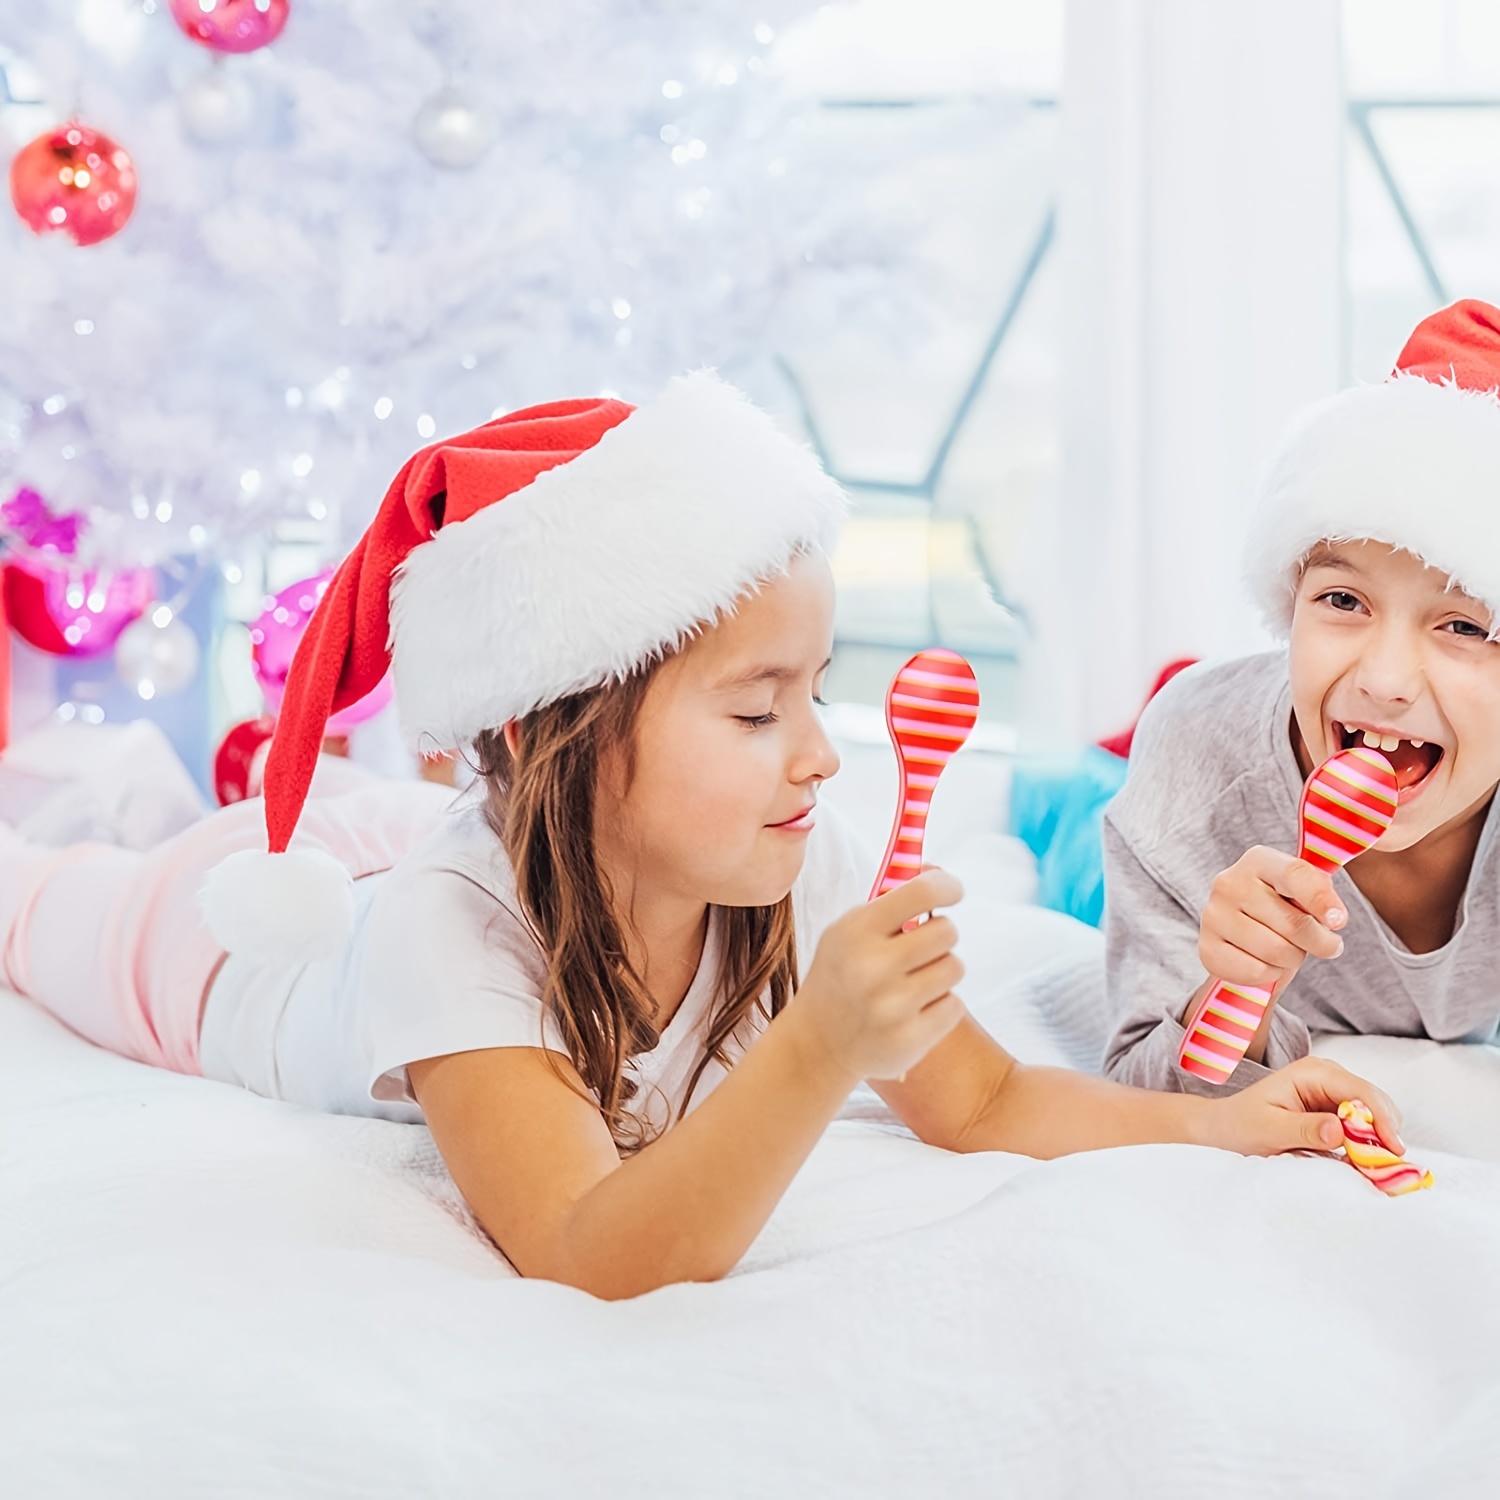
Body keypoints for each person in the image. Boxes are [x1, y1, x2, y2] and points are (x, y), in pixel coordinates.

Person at [0, 372, 1398, 1300]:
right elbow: (582, 1251)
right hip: (225, 950)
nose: (815, 751)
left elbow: (980, 1102)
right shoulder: (459, 926)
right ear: (565, 733)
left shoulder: (791, 853)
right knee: (53, 888)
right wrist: (816, 1050)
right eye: (754, 710)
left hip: (420, 836)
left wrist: (1213, 1128)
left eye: (819, 694)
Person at [1105, 299, 1500, 1095]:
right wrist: (1236, 990)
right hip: (1166, 787)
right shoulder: (1198, 770)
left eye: (1462, 623)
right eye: (1343, 602)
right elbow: (1139, 1085)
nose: (1384, 681)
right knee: (1059, 824)